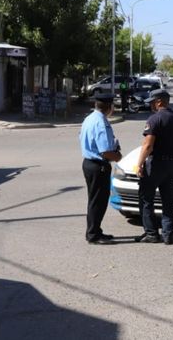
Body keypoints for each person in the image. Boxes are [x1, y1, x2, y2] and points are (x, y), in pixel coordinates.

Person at [134, 89, 173, 245]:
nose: (150, 105)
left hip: (156, 164)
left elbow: (148, 145)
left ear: (159, 102)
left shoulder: (155, 119)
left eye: (152, 102)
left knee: (146, 198)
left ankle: (151, 233)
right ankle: (168, 234)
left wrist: (139, 164)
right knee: (168, 200)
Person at [79, 93, 122, 244]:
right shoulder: (101, 123)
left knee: (94, 200)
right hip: (98, 166)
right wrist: (118, 157)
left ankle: (95, 230)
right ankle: (93, 235)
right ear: (109, 107)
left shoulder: (89, 118)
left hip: (89, 163)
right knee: (98, 201)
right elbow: (106, 151)